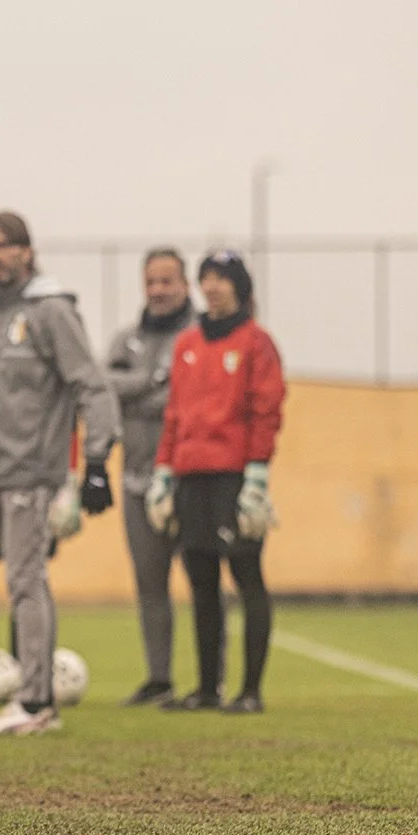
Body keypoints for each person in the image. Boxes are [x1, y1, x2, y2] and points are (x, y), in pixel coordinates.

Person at [0, 211, 120, 735]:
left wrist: (96, 462)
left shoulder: (52, 312)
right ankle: (36, 700)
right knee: (18, 583)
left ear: (27, 251)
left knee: (26, 582)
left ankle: (34, 703)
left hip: (30, 474)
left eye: (4, 245)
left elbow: (92, 386)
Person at [148, 250, 285, 714]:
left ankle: (250, 690)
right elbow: (174, 415)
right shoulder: (187, 343)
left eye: (222, 278)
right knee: (201, 580)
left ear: (239, 287)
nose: (212, 286)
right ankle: (208, 689)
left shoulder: (256, 343)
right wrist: (163, 473)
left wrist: (257, 478)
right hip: (191, 476)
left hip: (233, 476)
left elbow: (266, 411)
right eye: (206, 278)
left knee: (246, 576)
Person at [104, 248, 195, 706]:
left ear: (184, 284)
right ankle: (159, 679)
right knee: (149, 583)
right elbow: (106, 389)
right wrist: (155, 380)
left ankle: (211, 681)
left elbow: (189, 399)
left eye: (167, 281)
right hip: (136, 481)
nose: (158, 290)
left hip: (189, 479)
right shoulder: (126, 340)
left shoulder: (198, 337)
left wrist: (139, 390)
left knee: (202, 581)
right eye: (151, 282)